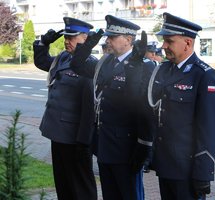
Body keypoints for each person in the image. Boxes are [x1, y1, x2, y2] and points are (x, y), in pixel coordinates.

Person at [69, 15, 155, 200]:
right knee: (110, 194)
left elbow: (144, 109)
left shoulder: (144, 65)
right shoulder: (106, 61)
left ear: (128, 40)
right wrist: (87, 46)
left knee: (129, 194)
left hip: (127, 147)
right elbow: (77, 66)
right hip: (104, 143)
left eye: (113, 37)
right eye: (108, 36)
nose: (108, 40)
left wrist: (144, 148)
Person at [148, 12, 215, 200]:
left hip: (188, 169)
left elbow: (209, 129)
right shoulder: (164, 70)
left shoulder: (204, 76)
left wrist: (204, 172)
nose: (163, 46)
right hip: (166, 164)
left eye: (169, 41)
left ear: (187, 43)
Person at [33, 17, 97, 200]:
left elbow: (89, 109)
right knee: (63, 183)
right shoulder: (63, 57)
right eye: (66, 37)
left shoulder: (89, 65)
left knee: (80, 186)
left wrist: (84, 141)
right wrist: (42, 43)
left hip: (74, 137)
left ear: (85, 38)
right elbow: (43, 62)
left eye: (72, 37)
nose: (67, 41)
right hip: (58, 132)